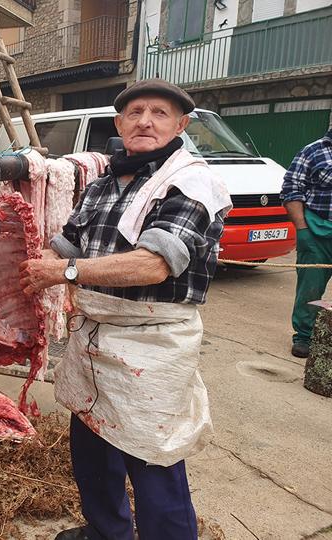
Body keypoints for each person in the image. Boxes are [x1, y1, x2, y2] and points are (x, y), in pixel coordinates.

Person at [19, 79, 231, 540]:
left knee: (152, 456)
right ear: (119, 124)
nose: (145, 121)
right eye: (135, 113)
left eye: (158, 112)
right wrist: (31, 263)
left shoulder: (193, 181)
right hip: (94, 335)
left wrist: (65, 273)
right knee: (91, 446)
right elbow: (66, 243)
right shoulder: (105, 182)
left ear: (181, 124)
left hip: (152, 343)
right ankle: (107, 531)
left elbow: (155, 264)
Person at [281, 128, 332, 358]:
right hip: (317, 233)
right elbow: (291, 190)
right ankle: (304, 336)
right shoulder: (312, 151)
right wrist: (302, 230)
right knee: (310, 288)